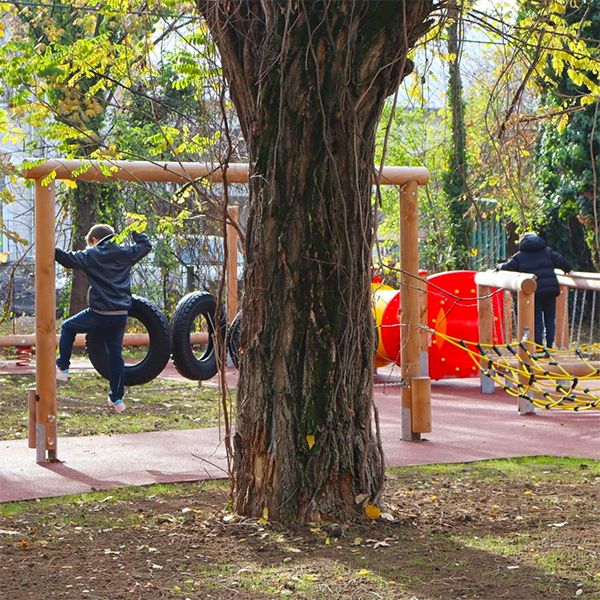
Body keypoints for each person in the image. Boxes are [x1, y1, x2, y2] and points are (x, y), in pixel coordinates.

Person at [55, 217, 152, 412]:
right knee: (115, 356)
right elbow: (145, 245)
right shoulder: (125, 252)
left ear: (94, 239)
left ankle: (63, 368)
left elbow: (66, 259)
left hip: (99, 312)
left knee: (68, 327)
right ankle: (117, 400)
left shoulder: (92, 254)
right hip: (120, 314)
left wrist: (50, 247)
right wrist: (133, 227)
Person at [497, 232, 572, 351]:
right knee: (549, 318)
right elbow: (562, 262)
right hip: (550, 290)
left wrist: (499, 267)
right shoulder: (547, 251)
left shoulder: (520, 256)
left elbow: (508, 266)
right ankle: (549, 346)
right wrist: (568, 269)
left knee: (536, 319)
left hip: (533, 291)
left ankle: (538, 346)